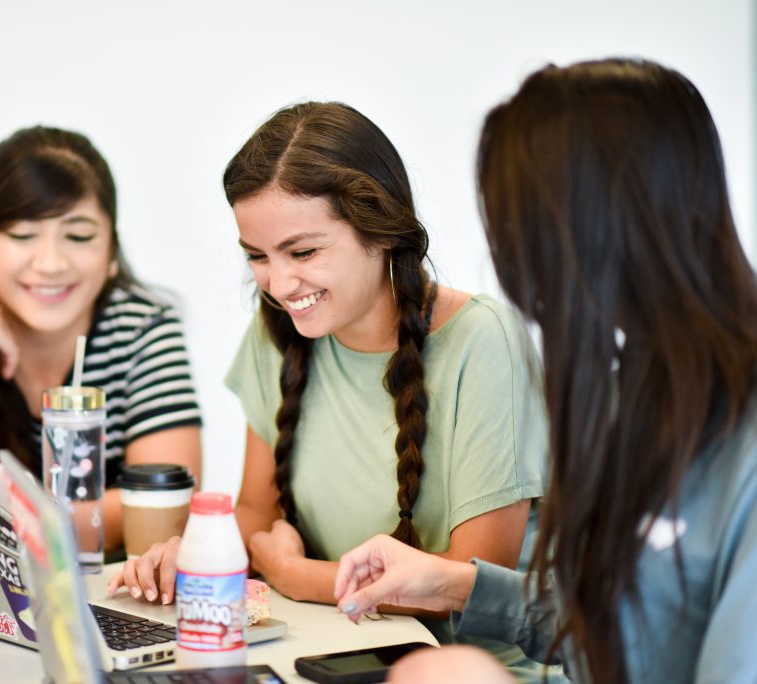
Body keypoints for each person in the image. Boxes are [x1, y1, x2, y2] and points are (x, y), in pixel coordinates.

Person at [334, 58, 757, 684]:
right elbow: (618, 623)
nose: (509, 260)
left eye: (516, 226)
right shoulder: (633, 391)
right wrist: (457, 586)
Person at [108, 102, 562, 681]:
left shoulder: (483, 341)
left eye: (303, 252)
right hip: (329, 651)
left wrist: (299, 575)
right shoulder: (278, 331)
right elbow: (257, 509)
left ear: (381, 230)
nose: (278, 283)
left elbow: (468, 584)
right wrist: (198, 558)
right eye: (257, 257)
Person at [0, 126, 203, 551]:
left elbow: (166, 506)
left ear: (112, 253)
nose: (51, 262)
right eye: (23, 235)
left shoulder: (141, 326)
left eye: (78, 236)